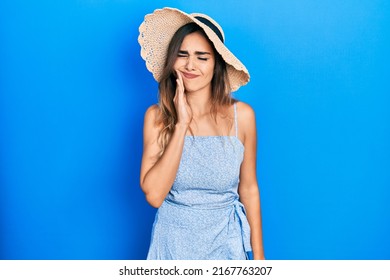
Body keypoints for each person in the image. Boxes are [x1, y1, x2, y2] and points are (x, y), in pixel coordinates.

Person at [138, 7, 265, 260]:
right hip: (172, 247)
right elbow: (153, 195)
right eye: (182, 55)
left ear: (217, 63)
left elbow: (249, 188)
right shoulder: (156, 117)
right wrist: (181, 124)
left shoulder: (243, 117)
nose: (190, 65)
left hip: (226, 246)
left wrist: (259, 260)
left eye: (202, 57)